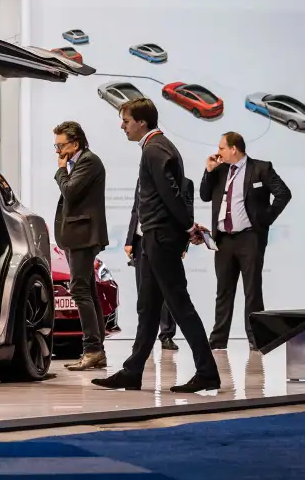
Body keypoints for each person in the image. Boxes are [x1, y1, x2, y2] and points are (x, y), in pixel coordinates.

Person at [92, 98, 220, 392]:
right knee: (148, 309)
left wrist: (188, 227)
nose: (122, 127)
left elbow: (171, 194)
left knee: (179, 305)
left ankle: (207, 371)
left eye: (125, 121)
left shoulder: (154, 148)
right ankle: (133, 370)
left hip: (161, 239)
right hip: (153, 240)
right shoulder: (157, 147)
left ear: (142, 122)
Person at [197, 132, 291, 350]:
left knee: (252, 291)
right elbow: (204, 195)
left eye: (221, 148)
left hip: (250, 238)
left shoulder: (261, 168)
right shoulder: (219, 170)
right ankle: (218, 340)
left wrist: (265, 219)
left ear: (233, 149)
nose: (217, 152)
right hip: (223, 240)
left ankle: (257, 340)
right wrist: (208, 171)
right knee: (223, 291)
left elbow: (283, 193)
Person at [52, 121, 109, 371]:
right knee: (88, 290)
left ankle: (92, 349)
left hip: (83, 236)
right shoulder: (82, 161)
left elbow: (71, 193)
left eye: (60, 145)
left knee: (80, 290)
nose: (57, 151)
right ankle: (97, 350)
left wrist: (61, 170)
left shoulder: (88, 161)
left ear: (75, 144)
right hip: (77, 235)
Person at [125, 185, 180, 351]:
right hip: (140, 241)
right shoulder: (141, 179)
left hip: (162, 241)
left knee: (165, 290)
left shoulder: (170, 178)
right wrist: (129, 240)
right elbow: (136, 210)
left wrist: (182, 245)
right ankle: (143, 336)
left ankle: (166, 335)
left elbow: (180, 211)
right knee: (143, 292)